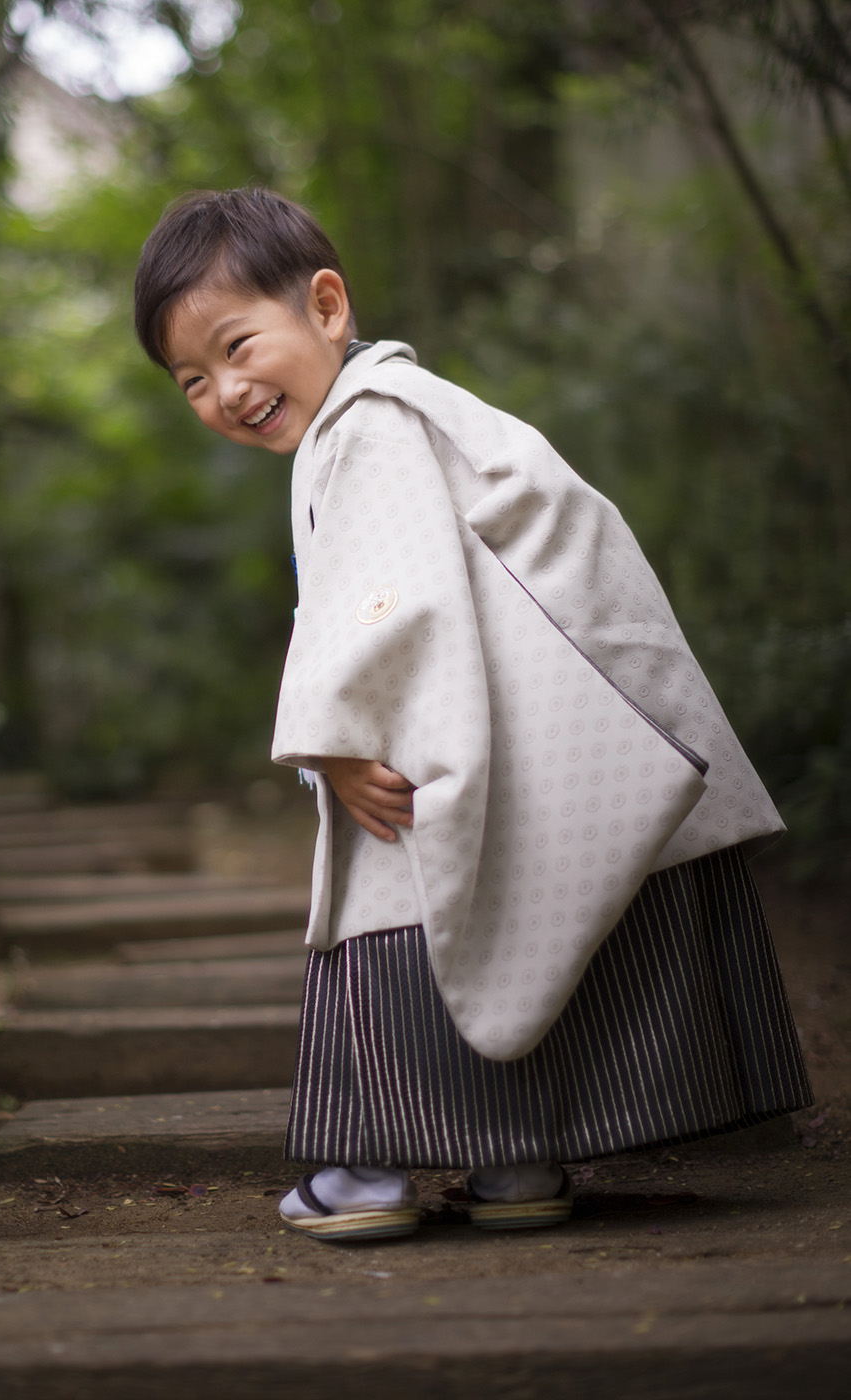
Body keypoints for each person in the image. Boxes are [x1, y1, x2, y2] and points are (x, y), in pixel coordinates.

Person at [133, 187, 813, 1243]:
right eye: (191, 380)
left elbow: (391, 598)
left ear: (323, 305)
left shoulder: (372, 422)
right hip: (550, 723)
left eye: (234, 345)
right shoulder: (392, 414)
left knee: (406, 892)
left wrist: (337, 733)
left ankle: (368, 1168)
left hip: (462, 719)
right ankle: (513, 1159)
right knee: (515, 901)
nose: (225, 389)